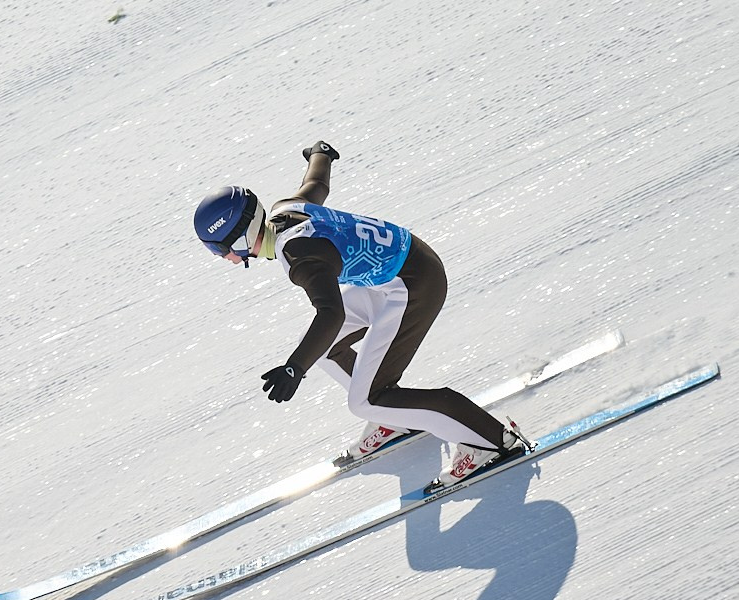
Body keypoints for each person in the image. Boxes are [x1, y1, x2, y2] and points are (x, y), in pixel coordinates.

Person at [192, 141, 528, 485]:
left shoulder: (299, 257)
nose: (223, 258)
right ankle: (393, 419)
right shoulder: (284, 209)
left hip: (413, 286)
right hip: (396, 272)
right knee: (320, 348)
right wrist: (320, 154)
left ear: (241, 237)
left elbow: (330, 314)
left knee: (367, 399)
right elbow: (316, 185)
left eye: (219, 249)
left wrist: (294, 368)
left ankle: (490, 439)